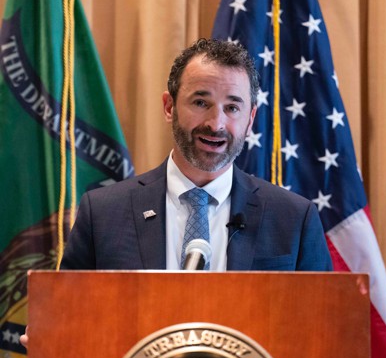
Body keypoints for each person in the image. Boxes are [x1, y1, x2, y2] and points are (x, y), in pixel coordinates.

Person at [60, 38, 332, 272]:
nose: (216, 124)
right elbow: (70, 310)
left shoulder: (294, 219)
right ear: (169, 107)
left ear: (250, 119)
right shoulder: (103, 213)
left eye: (232, 108)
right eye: (201, 103)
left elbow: (321, 314)